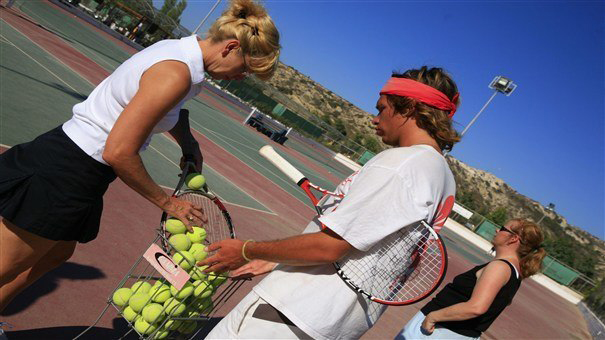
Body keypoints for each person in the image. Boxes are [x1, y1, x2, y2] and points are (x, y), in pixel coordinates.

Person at [0, 0, 280, 312]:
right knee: (7, 266)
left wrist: (188, 144)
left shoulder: (179, 54)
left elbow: (168, 110)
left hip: (72, 163)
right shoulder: (176, 74)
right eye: (245, 69)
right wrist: (170, 204)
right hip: (68, 170)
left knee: (55, 255)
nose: (241, 78)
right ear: (230, 47)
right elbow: (119, 152)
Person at [199, 66, 461, 339]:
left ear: (408, 108)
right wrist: (275, 260)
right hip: (333, 324)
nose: (374, 119)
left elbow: (331, 247)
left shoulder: (402, 165)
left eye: (381, 108)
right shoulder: (442, 176)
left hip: (294, 311)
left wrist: (247, 250)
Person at [396, 218, 546, 339]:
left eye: (502, 228)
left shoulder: (500, 268)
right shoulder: (514, 272)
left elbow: (476, 307)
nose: (497, 230)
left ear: (513, 238)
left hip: (440, 331)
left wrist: (433, 317)